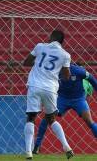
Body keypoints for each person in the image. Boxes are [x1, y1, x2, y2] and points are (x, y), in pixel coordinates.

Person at [23, 30, 74, 160]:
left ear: (51, 37)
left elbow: (26, 62)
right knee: (51, 119)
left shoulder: (40, 46)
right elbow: (67, 76)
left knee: (31, 118)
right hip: (50, 88)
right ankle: (66, 147)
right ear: (62, 42)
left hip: (34, 85)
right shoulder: (65, 55)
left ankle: (28, 152)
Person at [32, 63, 97, 154]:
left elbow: (92, 79)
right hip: (62, 99)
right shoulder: (55, 71)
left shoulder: (79, 71)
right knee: (47, 118)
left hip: (78, 99)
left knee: (89, 121)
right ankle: (37, 146)